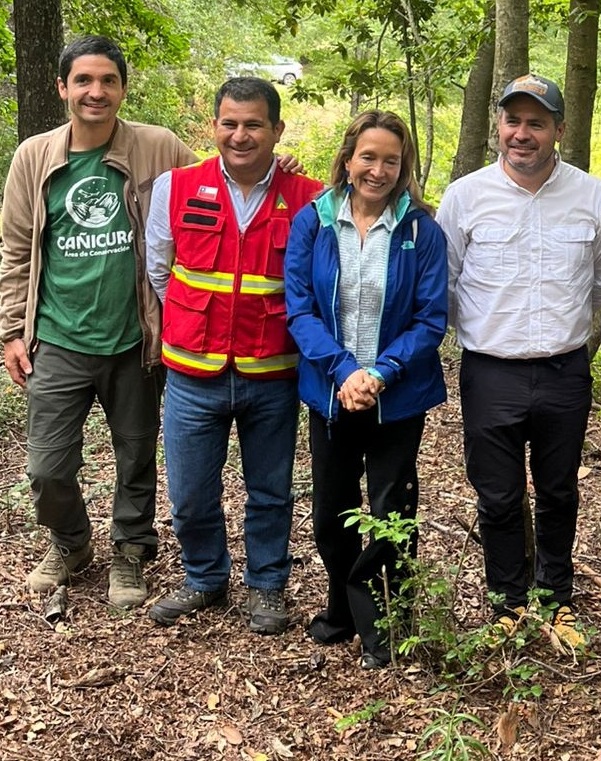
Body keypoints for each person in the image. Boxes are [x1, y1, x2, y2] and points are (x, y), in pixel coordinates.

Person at [0, 35, 198, 609]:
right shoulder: (34, 156)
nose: (96, 91)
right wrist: (11, 331)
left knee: (136, 454)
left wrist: (275, 167)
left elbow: (220, 184)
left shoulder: (158, 147)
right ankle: (70, 542)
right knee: (46, 467)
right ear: (62, 87)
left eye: (108, 80)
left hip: (135, 338)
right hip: (56, 337)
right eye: (84, 80)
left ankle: (130, 550)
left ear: (123, 88)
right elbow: (16, 248)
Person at [437, 74, 601, 649]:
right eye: (512, 120)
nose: (521, 133)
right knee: (497, 496)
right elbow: (444, 284)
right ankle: (508, 604)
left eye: (536, 123)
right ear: (498, 125)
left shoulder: (592, 196)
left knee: (559, 491)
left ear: (559, 130)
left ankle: (556, 600)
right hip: (490, 370)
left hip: (565, 370)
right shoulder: (464, 197)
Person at [145, 77, 323, 634]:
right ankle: (204, 577)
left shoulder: (310, 197)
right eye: (230, 123)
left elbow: (318, 284)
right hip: (193, 372)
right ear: (214, 126)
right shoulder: (175, 187)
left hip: (272, 371)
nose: (240, 135)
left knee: (270, 491)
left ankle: (267, 584)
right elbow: (159, 270)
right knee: (190, 492)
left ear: (277, 129)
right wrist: (194, 321)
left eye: (253, 125)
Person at [285, 110, 447, 669]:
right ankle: (342, 611)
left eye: (391, 161)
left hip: (397, 397)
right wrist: (343, 370)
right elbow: (299, 308)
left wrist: (379, 373)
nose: (378, 170)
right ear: (348, 158)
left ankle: (389, 625)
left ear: (404, 167)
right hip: (331, 392)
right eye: (368, 157)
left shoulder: (421, 230)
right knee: (332, 511)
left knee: (391, 511)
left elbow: (431, 318)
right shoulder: (313, 221)